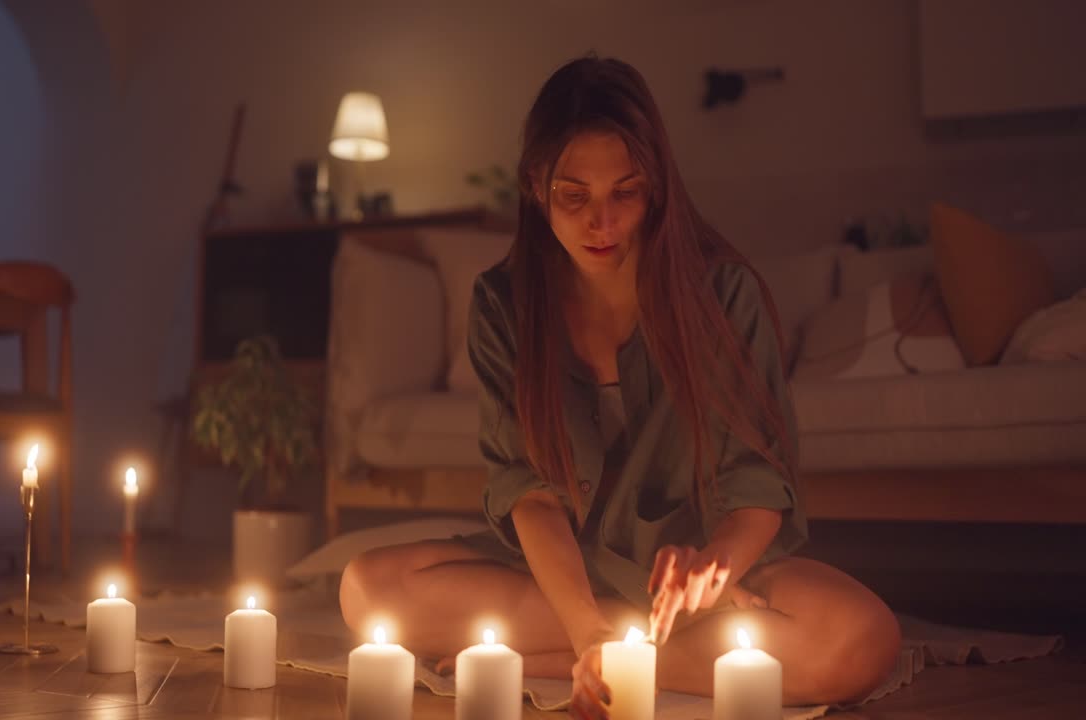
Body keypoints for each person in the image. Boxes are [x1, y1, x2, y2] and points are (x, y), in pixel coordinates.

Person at [339, 55, 901, 717]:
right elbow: (529, 493)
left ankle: (564, 657)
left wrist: (714, 564)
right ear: (536, 185)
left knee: (861, 639)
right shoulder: (504, 304)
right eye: (574, 196)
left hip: (692, 587)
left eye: (625, 193)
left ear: (655, 185)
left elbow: (757, 483)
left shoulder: (721, 293)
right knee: (367, 590)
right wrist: (588, 629)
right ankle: (610, 646)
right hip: (566, 575)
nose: (601, 224)